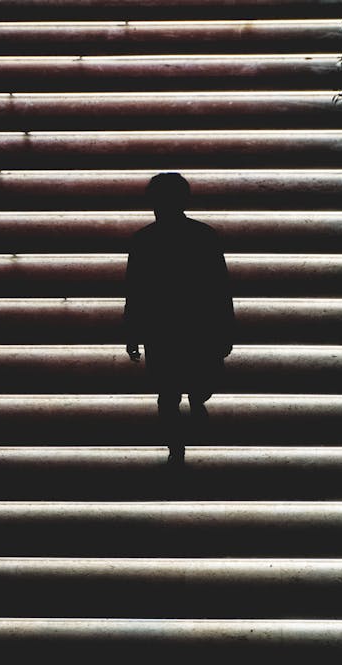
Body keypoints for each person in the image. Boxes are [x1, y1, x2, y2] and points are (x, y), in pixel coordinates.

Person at [124, 172, 234, 465]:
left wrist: (132, 333)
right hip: (197, 325)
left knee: (167, 392)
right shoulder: (204, 236)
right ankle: (195, 406)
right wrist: (225, 330)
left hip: (161, 328)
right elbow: (219, 287)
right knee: (193, 380)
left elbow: (135, 291)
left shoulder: (144, 240)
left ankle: (176, 447)